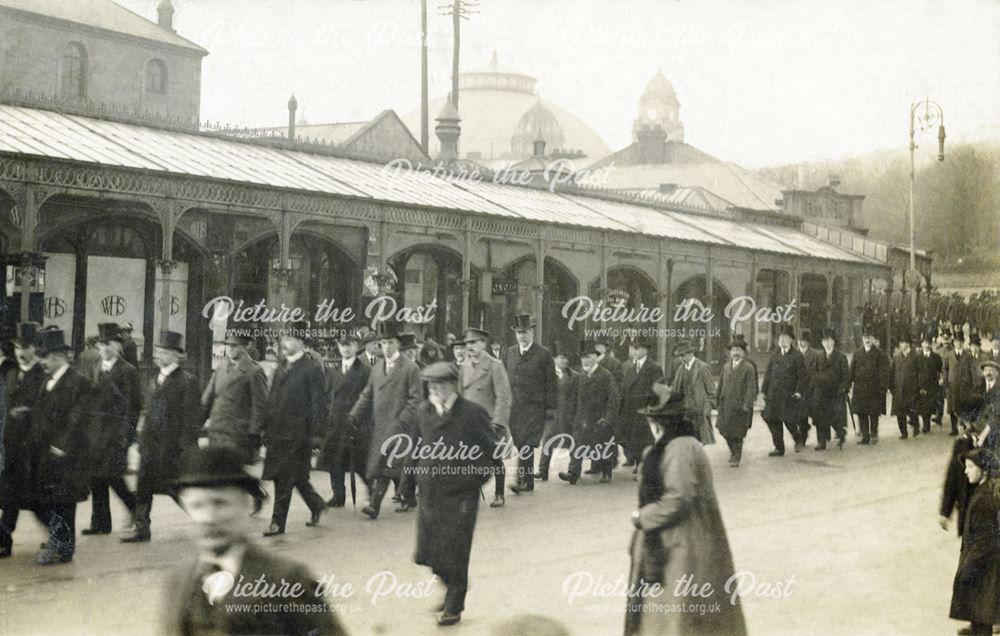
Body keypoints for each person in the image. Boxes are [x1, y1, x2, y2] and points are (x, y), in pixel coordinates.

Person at [161, 446, 347, 635]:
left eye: (220, 503)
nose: (208, 517)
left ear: (245, 505)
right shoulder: (179, 581)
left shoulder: (287, 579)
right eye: (197, 505)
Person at [624, 382, 747, 636]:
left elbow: (679, 498)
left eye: (650, 419)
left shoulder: (677, 449)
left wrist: (641, 517)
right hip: (684, 541)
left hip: (678, 547)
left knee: (675, 616)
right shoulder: (683, 445)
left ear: (659, 422)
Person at [411, 362, 501, 627]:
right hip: (429, 494)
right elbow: (415, 448)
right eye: (431, 385)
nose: (435, 390)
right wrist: (408, 482)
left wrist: (471, 481)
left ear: (453, 385)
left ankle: (454, 605)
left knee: (455, 552)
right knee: (426, 553)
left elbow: (492, 455)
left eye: (440, 385)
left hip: (460, 498)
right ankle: (453, 584)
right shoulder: (424, 411)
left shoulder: (472, 413)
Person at [14, 327, 95, 565]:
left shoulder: (79, 383)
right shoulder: (48, 381)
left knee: (62, 502)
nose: (42, 362)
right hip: (44, 452)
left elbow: (78, 418)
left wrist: (62, 446)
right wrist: (26, 414)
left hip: (66, 455)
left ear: (59, 357)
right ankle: (59, 540)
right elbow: (43, 412)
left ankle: (62, 546)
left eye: (46, 357)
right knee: (47, 501)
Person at [123, 331, 202, 543]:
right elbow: (147, 412)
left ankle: (205, 520)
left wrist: (186, 448)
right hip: (150, 446)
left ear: (177, 356)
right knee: (143, 487)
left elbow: (191, 417)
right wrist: (140, 440)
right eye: (159, 351)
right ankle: (142, 530)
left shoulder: (187, 381)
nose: (160, 355)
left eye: (166, 351)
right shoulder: (153, 378)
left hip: (171, 448)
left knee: (176, 489)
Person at [349, 319, 422, 520]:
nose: (387, 347)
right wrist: (354, 414)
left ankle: (374, 505)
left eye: (390, 342)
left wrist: (402, 421)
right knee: (391, 466)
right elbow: (367, 394)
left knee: (387, 465)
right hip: (380, 425)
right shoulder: (377, 368)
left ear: (398, 344)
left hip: (401, 426)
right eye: (383, 343)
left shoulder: (410, 368)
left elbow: (415, 400)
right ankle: (408, 496)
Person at [261, 322, 328, 537]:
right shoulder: (281, 366)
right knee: (297, 478)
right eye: (284, 339)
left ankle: (277, 522)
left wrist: (317, 435)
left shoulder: (311, 368)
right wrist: (265, 426)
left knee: (283, 478)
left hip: (298, 435)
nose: (285, 343)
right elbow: (272, 398)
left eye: (290, 339)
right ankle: (316, 505)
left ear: (301, 342)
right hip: (277, 433)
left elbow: (319, 404)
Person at [85, 323, 141, 536]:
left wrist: (126, 437)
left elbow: (133, 407)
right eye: (101, 345)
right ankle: (100, 523)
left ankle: (136, 510)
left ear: (118, 346)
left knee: (113, 476)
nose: (105, 349)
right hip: (96, 434)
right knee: (97, 478)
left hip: (116, 435)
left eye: (109, 344)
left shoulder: (128, 371)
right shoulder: (97, 367)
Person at [0, 323, 47, 558]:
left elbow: (47, 410)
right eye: (17, 347)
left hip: (33, 448)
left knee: (36, 501)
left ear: (36, 348)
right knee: (10, 496)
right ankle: (4, 541)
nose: (20, 352)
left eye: (25, 347)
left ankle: (59, 536)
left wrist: (28, 413)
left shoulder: (43, 375)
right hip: (12, 447)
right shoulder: (10, 373)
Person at [458, 327, 512, 508]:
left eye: (473, 343)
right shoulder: (464, 366)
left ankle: (499, 493)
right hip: (467, 421)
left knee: (495, 459)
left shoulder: (494, 365)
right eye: (467, 343)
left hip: (488, 421)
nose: (469, 347)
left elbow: (504, 396)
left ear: (483, 344)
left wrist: (497, 422)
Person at [316, 330, 371, 508]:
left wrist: (361, 421)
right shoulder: (333, 370)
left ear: (356, 346)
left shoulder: (365, 371)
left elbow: (369, 398)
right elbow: (326, 395)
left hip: (355, 423)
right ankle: (338, 495)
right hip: (335, 423)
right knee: (335, 460)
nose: (345, 348)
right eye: (342, 344)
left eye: (349, 344)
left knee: (360, 461)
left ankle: (373, 491)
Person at [949, 448, 1000, 636]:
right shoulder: (983, 491)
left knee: (981, 615)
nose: (965, 471)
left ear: (983, 471)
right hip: (985, 568)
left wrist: (966, 570)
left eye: (970, 467)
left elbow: (983, 543)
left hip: (983, 569)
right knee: (981, 614)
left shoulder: (984, 500)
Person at [504, 314, 557, 494]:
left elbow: (551, 382)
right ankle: (527, 481)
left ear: (532, 332)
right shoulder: (510, 352)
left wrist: (550, 408)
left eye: (525, 332)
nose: (522, 336)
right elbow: (505, 378)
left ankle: (522, 480)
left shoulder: (543, 354)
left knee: (527, 443)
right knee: (520, 442)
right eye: (519, 333)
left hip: (535, 407)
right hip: (515, 407)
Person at [201, 331, 268, 465]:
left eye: (235, 345)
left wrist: (254, 434)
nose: (230, 348)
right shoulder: (221, 367)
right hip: (217, 431)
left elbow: (260, 406)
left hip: (238, 435)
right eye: (228, 345)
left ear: (245, 347)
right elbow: (207, 398)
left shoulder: (254, 371)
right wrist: (197, 422)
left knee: (233, 477)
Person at [558, 341, 619, 484]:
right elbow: (574, 398)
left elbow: (614, 398)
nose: (586, 360)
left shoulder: (605, 375)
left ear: (596, 357)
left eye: (589, 357)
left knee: (603, 444)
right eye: (583, 357)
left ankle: (606, 472)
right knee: (577, 444)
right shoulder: (580, 376)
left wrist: (608, 417)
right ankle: (573, 473)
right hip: (582, 418)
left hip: (600, 418)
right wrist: (570, 416)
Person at [761, 324, 809, 456]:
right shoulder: (775, 354)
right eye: (780, 337)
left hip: (789, 396)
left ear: (791, 340)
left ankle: (798, 438)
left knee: (789, 421)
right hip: (773, 395)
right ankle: (779, 447)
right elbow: (768, 374)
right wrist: (763, 392)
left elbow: (803, 377)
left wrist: (799, 392)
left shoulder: (797, 356)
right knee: (772, 419)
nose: (782, 340)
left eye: (785, 337)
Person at [618, 338, 662, 470]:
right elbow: (625, 387)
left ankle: (643, 465)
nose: (634, 351)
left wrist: (652, 407)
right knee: (630, 436)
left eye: (637, 348)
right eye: (633, 348)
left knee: (643, 438)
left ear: (645, 350)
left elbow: (658, 389)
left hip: (644, 408)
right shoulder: (630, 367)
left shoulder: (654, 367)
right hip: (629, 408)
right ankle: (638, 461)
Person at [536, 344, 578, 482]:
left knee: (573, 443)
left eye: (566, 359)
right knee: (547, 441)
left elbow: (578, 397)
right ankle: (543, 471)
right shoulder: (546, 375)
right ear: (554, 359)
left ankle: (573, 472)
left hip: (568, 415)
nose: (564, 361)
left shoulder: (574, 376)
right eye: (561, 358)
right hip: (551, 415)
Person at [715, 338, 758, 467]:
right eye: (733, 350)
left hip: (740, 407)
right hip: (726, 405)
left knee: (737, 434)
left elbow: (752, 388)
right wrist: (717, 402)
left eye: (738, 350)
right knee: (724, 431)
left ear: (743, 352)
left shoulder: (748, 368)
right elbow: (721, 384)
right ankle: (733, 452)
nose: (735, 353)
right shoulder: (726, 366)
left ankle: (736, 457)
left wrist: (747, 405)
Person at [811, 328, 850, 451]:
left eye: (829, 340)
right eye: (824, 341)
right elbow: (813, 372)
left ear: (833, 342)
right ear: (822, 343)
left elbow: (846, 375)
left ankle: (841, 432)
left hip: (835, 393)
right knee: (819, 416)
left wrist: (843, 388)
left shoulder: (841, 357)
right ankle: (821, 441)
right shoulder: (819, 356)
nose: (827, 343)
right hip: (821, 392)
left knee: (834, 417)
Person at [671, 340, 717, 446]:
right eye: (679, 356)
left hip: (699, 412)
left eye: (683, 355)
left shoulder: (702, 368)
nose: (681, 358)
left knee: (698, 440)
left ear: (691, 354)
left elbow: (712, 392)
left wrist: (707, 409)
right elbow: (675, 388)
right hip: (685, 412)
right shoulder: (681, 369)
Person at [849, 328, 889, 445]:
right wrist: (847, 384)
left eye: (869, 337)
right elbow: (852, 371)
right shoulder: (857, 353)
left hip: (874, 389)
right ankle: (865, 436)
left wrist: (883, 388)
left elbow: (884, 373)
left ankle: (874, 434)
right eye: (865, 337)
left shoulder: (880, 354)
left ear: (873, 339)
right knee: (861, 413)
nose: (867, 339)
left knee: (873, 413)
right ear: (862, 339)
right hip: (860, 389)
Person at [944, 333, 978, 435]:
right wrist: (945, 381)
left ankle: (964, 426)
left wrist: (972, 384)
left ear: (963, 343)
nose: (958, 343)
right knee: (952, 406)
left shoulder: (968, 356)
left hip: (965, 385)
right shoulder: (949, 355)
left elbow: (972, 370)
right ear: (954, 343)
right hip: (952, 385)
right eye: (957, 341)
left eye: (960, 341)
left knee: (964, 406)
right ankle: (954, 428)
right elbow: (945, 369)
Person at [890, 336, 920, 439]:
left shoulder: (916, 356)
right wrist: (891, 387)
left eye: (903, 342)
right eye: (900, 343)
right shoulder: (897, 357)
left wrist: (918, 387)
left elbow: (920, 372)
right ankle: (903, 432)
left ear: (908, 343)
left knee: (912, 410)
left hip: (911, 388)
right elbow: (892, 372)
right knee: (900, 412)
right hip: (899, 388)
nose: (901, 345)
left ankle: (916, 426)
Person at [915, 332, 944, 434]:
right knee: (923, 405)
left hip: (933, 384)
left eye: (929, 343)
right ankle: (925, 425)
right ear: (922, 344)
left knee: (930, 404)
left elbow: (941, 370)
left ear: (931, 345)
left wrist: (941, 378)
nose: (927, 345)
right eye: (925, 343)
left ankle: (931, 421)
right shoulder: (918, 357)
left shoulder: (936, 357)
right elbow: (915, 371)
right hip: (921, 384)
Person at [795, 329, 819, 447]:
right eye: (800, 341)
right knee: (800, 416)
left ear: (808, 342)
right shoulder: (794, 354)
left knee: (817, 416)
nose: (801, 343)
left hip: (812, 390)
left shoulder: (815, 355)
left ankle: (824, 436)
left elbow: (815, 374)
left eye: (804, 341)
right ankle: (802, 438)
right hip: (799, 390)